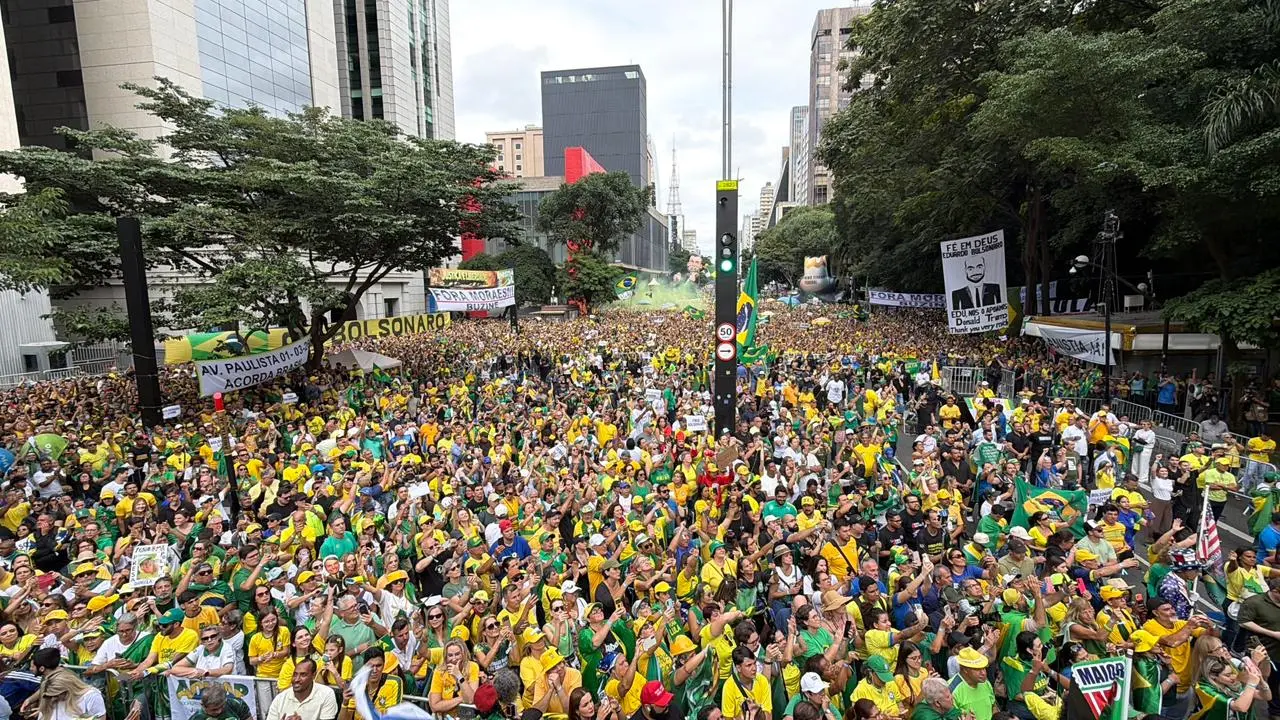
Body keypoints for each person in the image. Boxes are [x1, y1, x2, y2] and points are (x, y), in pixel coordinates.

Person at [24, 667, 105, 720]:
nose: (54, 698)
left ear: (70, 688)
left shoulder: (91, 696)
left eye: (57, 694)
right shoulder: (50, 696)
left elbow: (100, 718)